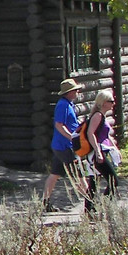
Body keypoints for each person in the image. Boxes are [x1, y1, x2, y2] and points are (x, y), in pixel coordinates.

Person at [42, 78, 84, 212]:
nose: (77, 92)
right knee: (78, 175)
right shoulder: (63, 105)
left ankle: (45, 202)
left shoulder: (68, 104)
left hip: (60, 146)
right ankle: (91, 203)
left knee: (54, 174)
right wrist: (72, 137)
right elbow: (59, 125)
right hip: (65, 146)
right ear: (70, 92)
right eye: (75, 90)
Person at [82, 89, 120, 216]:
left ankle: (90, 211)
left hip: (101, 151)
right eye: (111, 101)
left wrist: (115, 148)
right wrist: (98, 152)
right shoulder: (97, 116)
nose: (113, 103)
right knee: (113, 180)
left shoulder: (102, 116)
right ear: (104, 102)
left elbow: (106, 135)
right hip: (97, 153)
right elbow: (90, 133)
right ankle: (104, 206)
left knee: (94, 182)